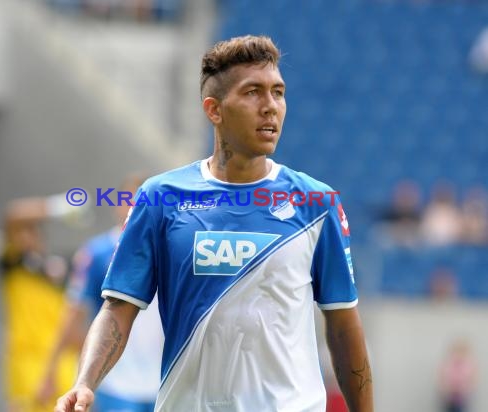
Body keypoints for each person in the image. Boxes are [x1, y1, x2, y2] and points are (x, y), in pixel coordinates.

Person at [55, 35, 374, 412]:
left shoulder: (316, 203)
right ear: (214, 110)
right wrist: (85, 383)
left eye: (278, 92)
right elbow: (117, 309)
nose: (270, 107)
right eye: (253, 92)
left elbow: (342, 325)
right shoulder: (160, 198)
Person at [37, 175, 163, 411]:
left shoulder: (171, 248)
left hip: (163, 380)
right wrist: (52, 368)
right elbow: (74, 311)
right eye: (130, 200)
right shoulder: (98, 252)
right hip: (115, 383)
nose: (136, 207)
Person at [2, 195, 83, 412]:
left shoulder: (58, 271)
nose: (24, 239)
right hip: (27, 361)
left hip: (63, 362)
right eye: (20, 233)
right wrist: (59, 208)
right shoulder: (14, 264)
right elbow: (14, 214)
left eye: (30, 232)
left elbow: (72, 316)